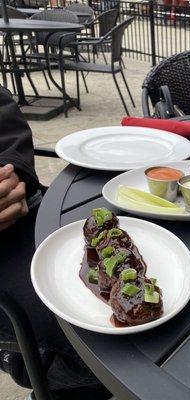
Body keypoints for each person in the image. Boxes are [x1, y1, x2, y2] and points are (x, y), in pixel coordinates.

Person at [0, 85, 110, 399]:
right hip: (10, 276)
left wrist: (14, 173)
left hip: (36, 213)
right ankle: (33, 364)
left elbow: (4, 117)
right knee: (117, 349)